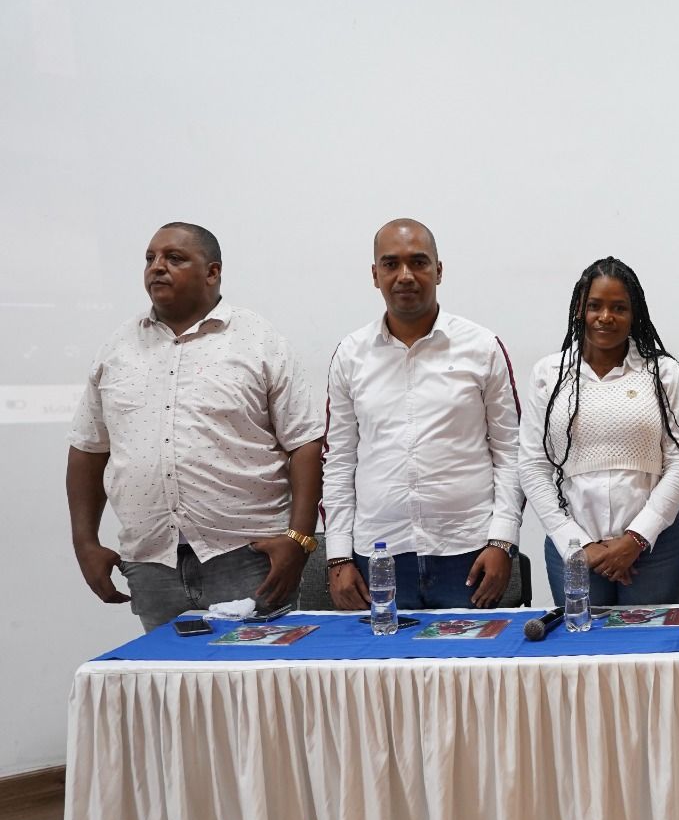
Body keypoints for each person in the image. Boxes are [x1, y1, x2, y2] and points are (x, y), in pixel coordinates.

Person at [66, 222, 323, 631]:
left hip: (248, 558)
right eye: (150, 258)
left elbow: (306, 443)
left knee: (256, 690)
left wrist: (300, 540)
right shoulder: (117, 349)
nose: (157, 267)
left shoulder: (258, 341)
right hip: (151, 563)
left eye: (174, 258)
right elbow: (87, 448)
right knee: (172, 691)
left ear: (213, 272)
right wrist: (85, 542)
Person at [322, 218, 523, 610]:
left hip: (469, 552)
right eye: (391, 264)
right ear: (375, 275)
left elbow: (511, 452)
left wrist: (503, 541)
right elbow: (339, 460)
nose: (405, 276)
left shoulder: (481, 347)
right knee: (382, 672)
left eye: (419, 262)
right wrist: (339, 555)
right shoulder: (351, 354)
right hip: (378, 556)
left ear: (439, 270)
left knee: (469, 671)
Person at [521, 257, 679, 605]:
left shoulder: (662, 373)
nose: (606, 317)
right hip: (572, 546)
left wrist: (636, 538)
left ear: (634, 315)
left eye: (619, 307)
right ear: (578, 310)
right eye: (595, 306)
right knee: (583, 652)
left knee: (650, 652)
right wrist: (577, 542)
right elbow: (532, 466)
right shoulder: (549, 374)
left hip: (654, 548)